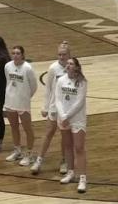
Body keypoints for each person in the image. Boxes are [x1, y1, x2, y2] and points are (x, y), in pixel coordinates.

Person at [31, 41, 70, 175]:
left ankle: (64, 161)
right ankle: (39, 161)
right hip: (54, 106)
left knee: (65, 136)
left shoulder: (73, 67)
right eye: (59, 54)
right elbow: (48, 89)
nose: (61, 57)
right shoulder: (53, 68)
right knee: (48, 133)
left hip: (67, 108)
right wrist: (45, 107)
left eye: (64, 54)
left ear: (69, 55)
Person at [56, 57, 88, 194]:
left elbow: (79, 102)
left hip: (77, 119)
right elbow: (57, 99)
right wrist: (62, 116)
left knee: (79, 147)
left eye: (71, 64)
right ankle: (70, 172)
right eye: (67, 63)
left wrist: (67, 116)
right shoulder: (61, 80)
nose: (68, 65)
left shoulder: (82, 82)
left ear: (76, 67)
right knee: (67, 146)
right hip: (63, 118)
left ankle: (82, 178)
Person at [3, 45, 38, 166]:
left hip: (23, 103)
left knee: (27, 128)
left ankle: (30, 154)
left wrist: (26, 97)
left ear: (22, 55)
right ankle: (17, 150)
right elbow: (8, 82)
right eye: (13, 53)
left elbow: (34, 86)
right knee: (14, 127)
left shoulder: (28, 68)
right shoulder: (7, 66)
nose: (15, 55)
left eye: (18, 53)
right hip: (10, 101)